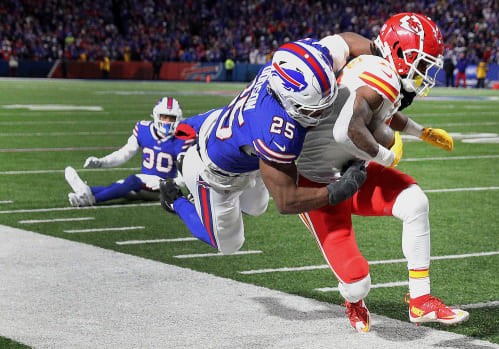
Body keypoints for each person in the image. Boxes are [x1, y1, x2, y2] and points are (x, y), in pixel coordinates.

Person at [296, 13, 469, 333]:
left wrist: (423, 132)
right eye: (423, 61)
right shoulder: (381, 74)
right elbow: (346, 131)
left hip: (352, 169)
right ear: (401, 53)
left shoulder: (378, 66)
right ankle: (352, 300)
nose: (426, 72)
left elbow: (381, 111)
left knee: (414, 202)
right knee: (357, 282)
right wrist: (388, 156)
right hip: (318, 184)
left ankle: (421, 301)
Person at [159, 34, 372, 254]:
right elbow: (287, 201)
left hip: (238, 138)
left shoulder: (301, 64)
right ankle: (176, 195)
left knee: (256, 207)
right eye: (313, 108)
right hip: (214, 172)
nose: (322, 112)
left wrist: (387, 61)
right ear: (289, 102)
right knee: (229, 244)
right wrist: (337, 190)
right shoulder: (275, 131)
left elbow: (345, 41)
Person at [64, 97, 192, 207]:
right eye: (164, 117)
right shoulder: (144, 129)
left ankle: (91, 199)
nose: (167, 122)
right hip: (143, 184)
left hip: (162, 189)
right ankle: (84, 192)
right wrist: (101, 162)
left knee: (132, 181)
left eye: (171, 118)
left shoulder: (182, 139)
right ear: (156, 115)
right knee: (120, 186)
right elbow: (124, 154)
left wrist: (172, 184)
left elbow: (186, 174)